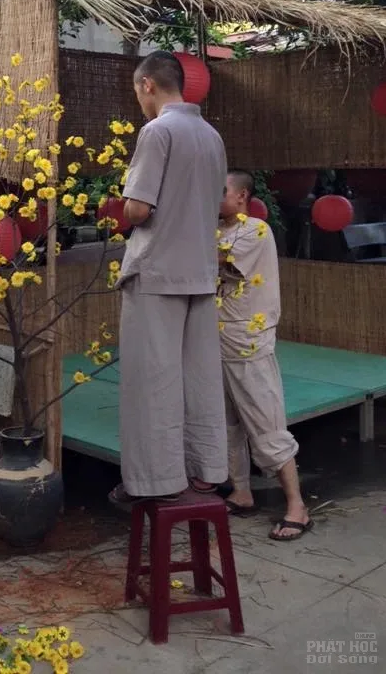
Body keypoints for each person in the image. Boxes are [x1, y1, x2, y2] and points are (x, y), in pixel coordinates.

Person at [110, 51, 228, 507]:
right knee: (199, 377)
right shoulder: (211, 135)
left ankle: (155, 481)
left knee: (151, 382)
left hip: (157, 271)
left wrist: (121, 211)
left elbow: (139, 208)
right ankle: (206, 471)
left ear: (147, 86)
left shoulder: (157, 131)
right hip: (199, 270)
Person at [217, 170, 312, 540]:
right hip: (216, 341)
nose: (214, 196)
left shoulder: (255, 230)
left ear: (242, 195)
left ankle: (297, 506)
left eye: (220, 190)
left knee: (265, 423)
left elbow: (213, 259)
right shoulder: (215, 231)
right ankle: (241, 491)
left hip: (247, 342)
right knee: (226, 425)